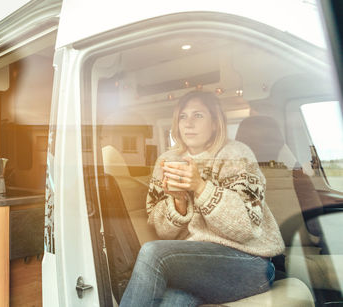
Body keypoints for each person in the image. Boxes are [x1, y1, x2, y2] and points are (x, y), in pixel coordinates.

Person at [119, 91, 285, 307]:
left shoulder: (236, 154)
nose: (188, 123)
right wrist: (178, 203)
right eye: (182, 117)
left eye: (198, 116)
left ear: (215, 123)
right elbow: (161, 230)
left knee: (154, 253)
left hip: (250, 264)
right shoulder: (167, 161)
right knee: (172, 301)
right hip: (195, 265)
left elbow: (245, 227)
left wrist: (200, 187)